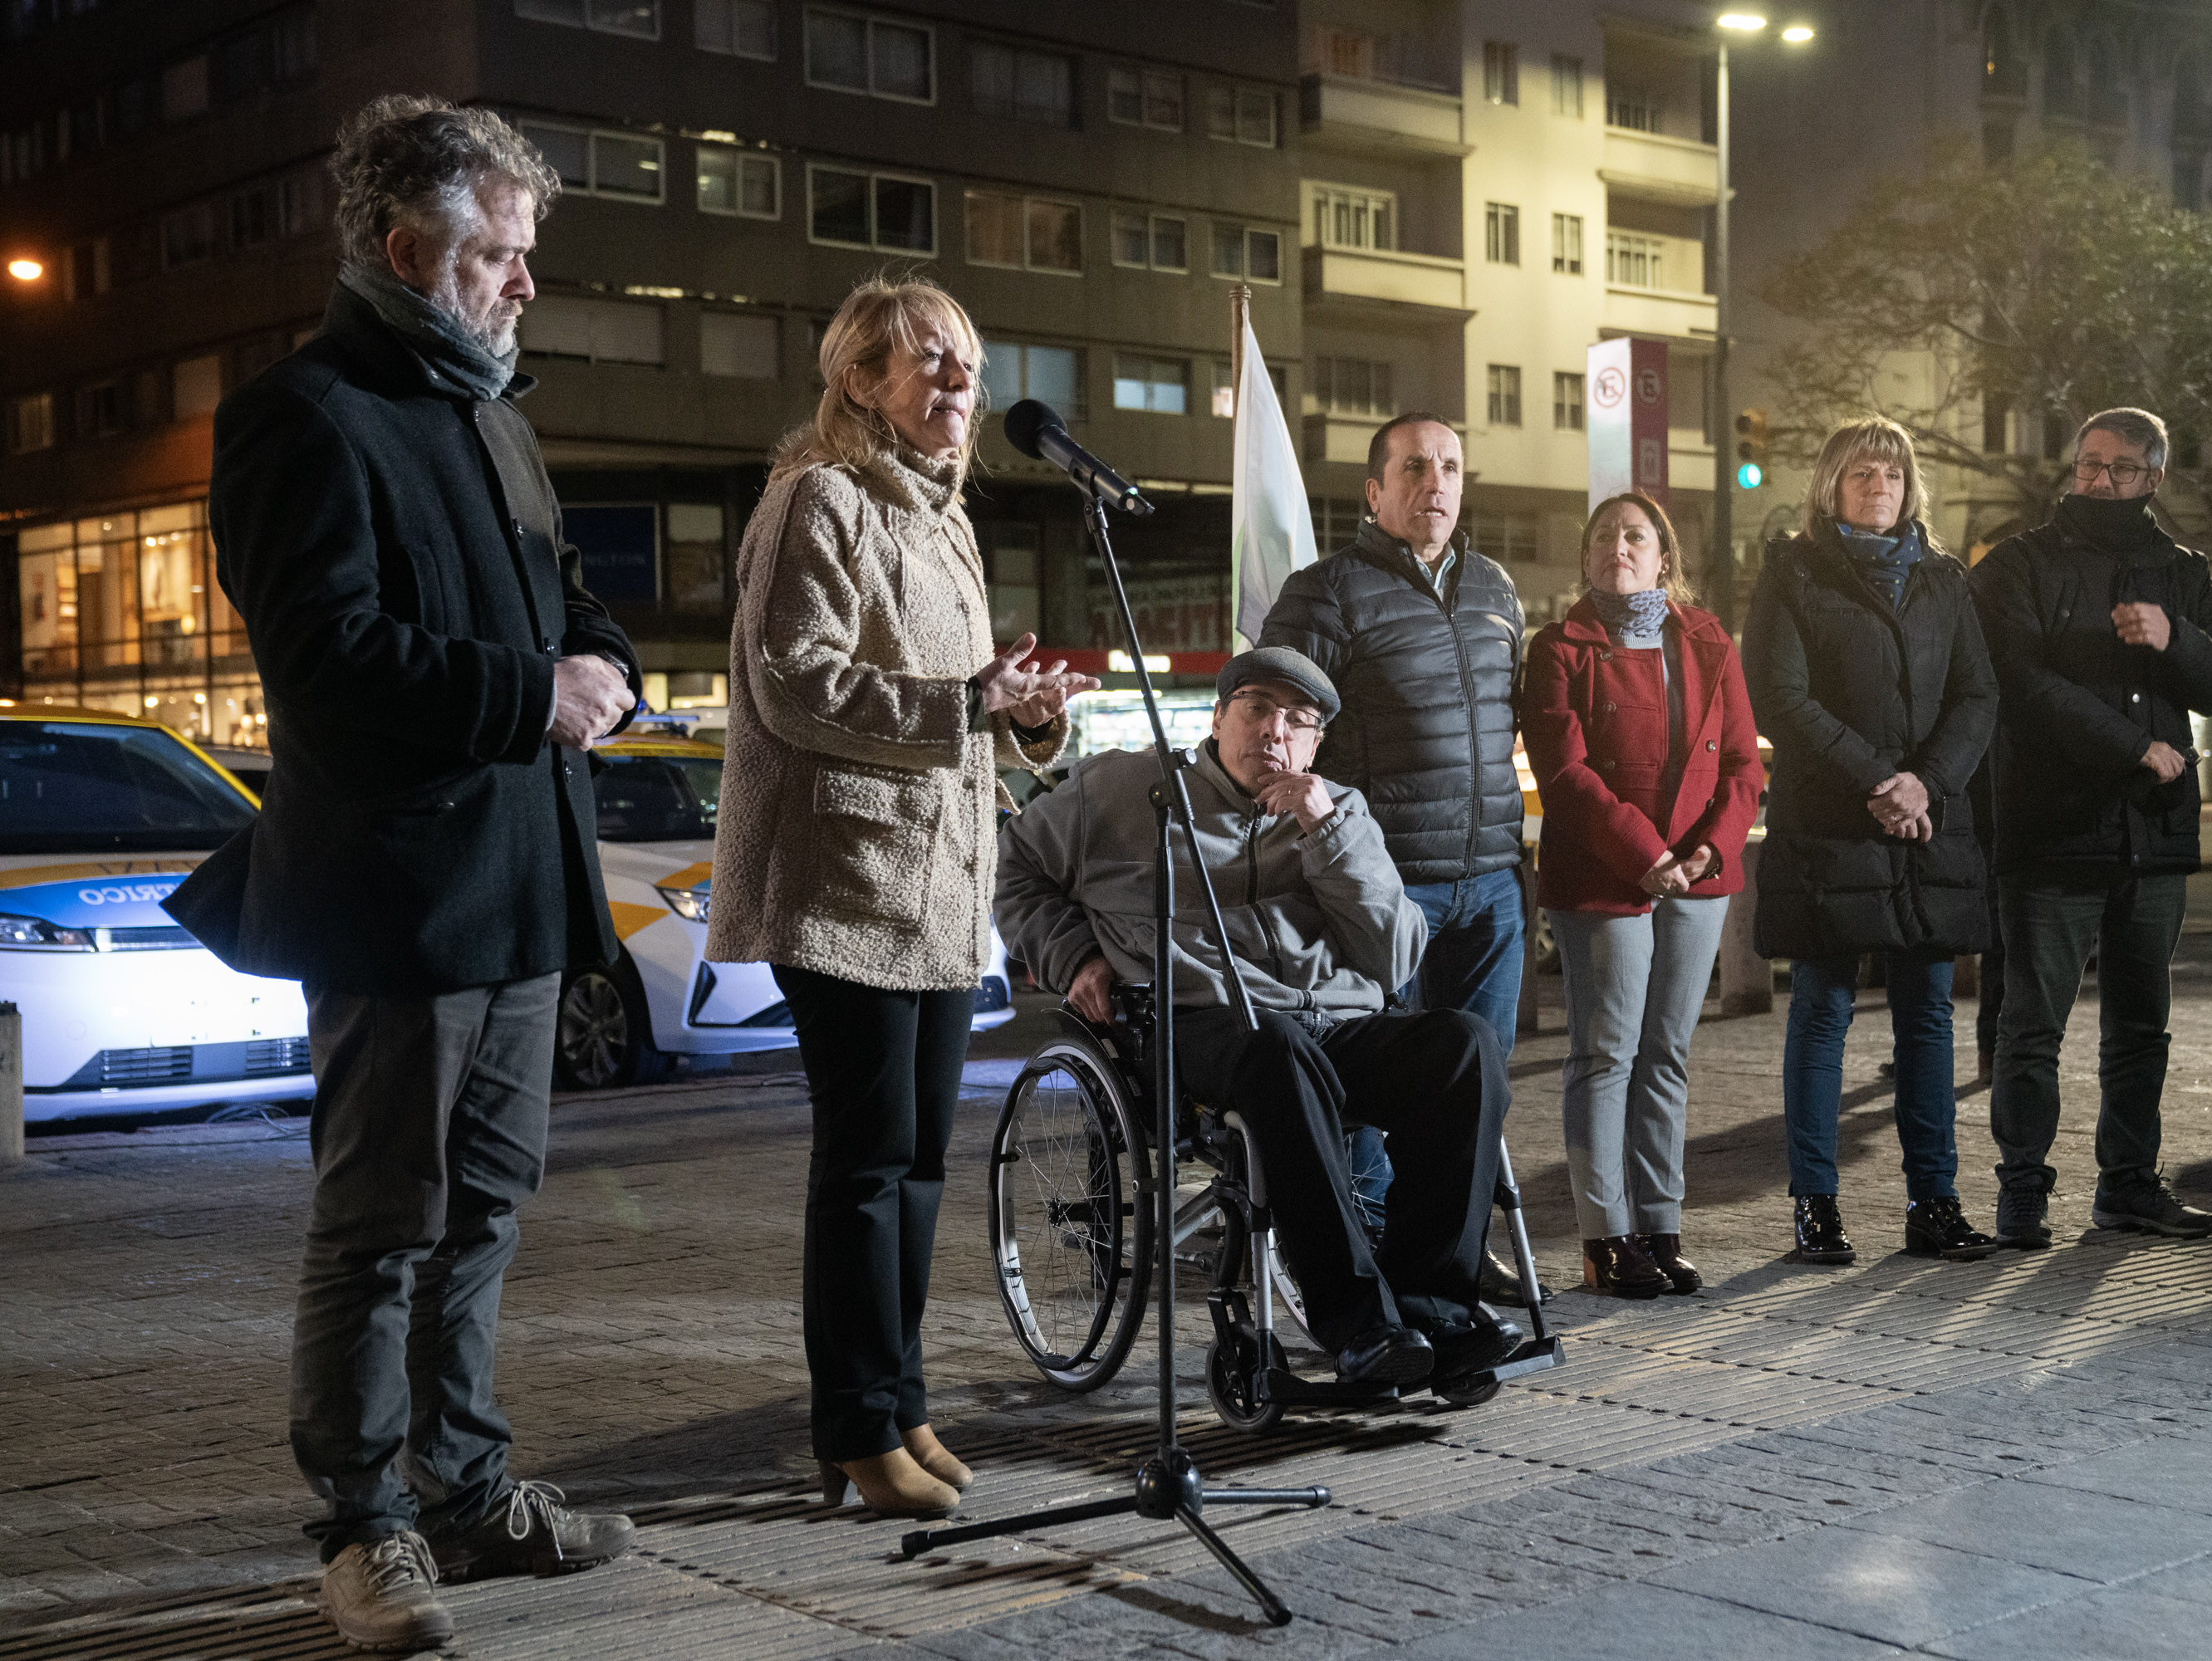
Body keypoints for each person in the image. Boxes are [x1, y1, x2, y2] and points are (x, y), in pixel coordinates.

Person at [164, 97, 642, 1653]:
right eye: (499, 256)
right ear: (405, 249)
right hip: (396, 897)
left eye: (522, 257)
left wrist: (607, 662)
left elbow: (563, 596)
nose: (521, 286)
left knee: (485, 1212)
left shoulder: (489, 410)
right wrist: (532, 698)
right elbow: (326, 654)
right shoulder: (302, 416)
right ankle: (363, 1531)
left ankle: (468, 1488)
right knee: (381, 1224)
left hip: (516, 887)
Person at [704, 277, 1092, 1519]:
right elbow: (792, 684)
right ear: (859, 380)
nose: (958, 384)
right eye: (927, 362)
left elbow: (967, 704)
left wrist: (1022, 714)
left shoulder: (945, 518)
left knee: (918, 1161)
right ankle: (857, 1427)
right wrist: (960, 704)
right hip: (845, 882)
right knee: (867, 1166)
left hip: (937, 888)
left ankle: (898, 1405)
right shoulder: (814, 499)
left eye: (966, 364)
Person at [994, 649, 1523, 1388]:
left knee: (1464, 1046)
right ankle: (1359, 1325)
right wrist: (1075, 955)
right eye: (1255, 709)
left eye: (1298, 722)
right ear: (1217, 719)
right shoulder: (1122, 788)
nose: (1274, 732)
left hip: (1327, 1023)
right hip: (1191, 1020)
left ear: (1314, 747)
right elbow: (1012, 865)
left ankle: (1434, 1312)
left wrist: (1325, 831)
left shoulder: (1340, 810)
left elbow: (1396, 957)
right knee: (1274, 1050)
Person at [1258, 414, 1533, 1296]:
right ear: (1374, 492)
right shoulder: (1323, 593)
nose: (1436, 483)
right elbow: (1277, 727)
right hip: (1383, 887)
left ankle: (1452, 1256)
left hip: (1489, 883)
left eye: (1450, 466)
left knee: (1475, 1086)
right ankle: (1367, 1265)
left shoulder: (1495, 588)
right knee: (1376, 1097)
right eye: (1414, 467)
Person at [1969, 409, 2212, 1249]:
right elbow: (2020, 684)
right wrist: (2132, 747)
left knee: (2140, 1025)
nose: (2098, 479)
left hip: (2151, 837)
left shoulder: (2183, 571)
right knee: (2031, 1026)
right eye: (2088, 463)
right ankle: (2022, 1190)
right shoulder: (2018, 565)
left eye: (2119, 468)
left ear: (2153, 476)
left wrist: (2174, 640)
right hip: (2054, 829)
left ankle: (2129, 1183)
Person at [1742, 417, 2000, 1266]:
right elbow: (1779, 694)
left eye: (1890, 474)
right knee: (1821, 1011)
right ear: (1830, 483)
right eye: (1860, 473)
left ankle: (1936, 1199)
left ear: (1909, 485)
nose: (1877, 487)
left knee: (1927, 1016)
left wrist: (1925, 782)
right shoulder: (1793, 572)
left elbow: (1976, 696)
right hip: (1831, 825)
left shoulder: (1941, 579)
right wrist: (1876, 780)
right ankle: (1815, 1206)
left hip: (1926, 825)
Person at [1520, 493, 1764, 1297]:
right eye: (1603, 536)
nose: (1618, 546)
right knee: (1605, 1055)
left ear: (1664, 555)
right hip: (1604, 876)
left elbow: (1741, 766)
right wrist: (1645, 852)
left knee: (1666, 1054)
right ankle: (1605, 1235)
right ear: (1586, 558)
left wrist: (1704, 849)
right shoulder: (1559, 648)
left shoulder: (1707, 639)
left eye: (1636, 535)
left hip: (1696, 875)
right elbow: (1564, 772)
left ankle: (1660, 1225)